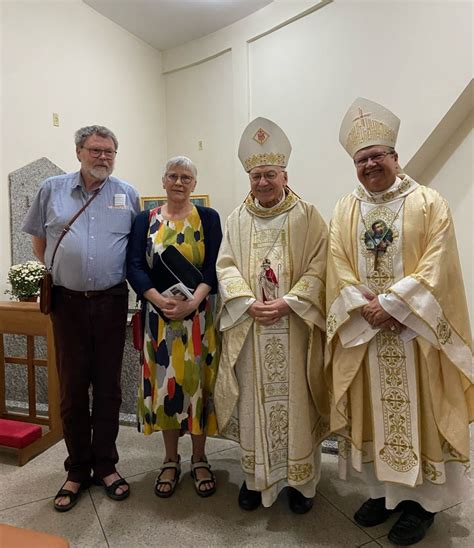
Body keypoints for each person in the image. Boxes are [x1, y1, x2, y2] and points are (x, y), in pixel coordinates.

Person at [326, 97, 473, 545]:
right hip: (367, 334)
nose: (370, 165)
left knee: (423, 413)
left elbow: (438, 263)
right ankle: (383, 494)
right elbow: (337, 264)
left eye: (377, 156)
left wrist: (392, 304)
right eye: (361, 159)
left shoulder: (430, 203)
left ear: (395, 157)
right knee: (373, 414)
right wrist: (367, 307)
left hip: (416, 334)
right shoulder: (344, 209)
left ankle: (422, 504)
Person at [22, 125, 140, 511]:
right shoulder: (51, 189)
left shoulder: (127, 194)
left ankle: (106, 465)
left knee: (108, 388)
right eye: (95, 150)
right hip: (68, 304)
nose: (102, 157)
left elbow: (135, 250)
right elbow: (40, 243)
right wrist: (69, 272)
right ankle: (76, 470)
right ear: (78, 152)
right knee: (72, 389)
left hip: (111, 301)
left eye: (109, 151)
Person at [215, 117, 329, 513]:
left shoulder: (308, 215)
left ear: (284, 174)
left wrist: (289, 302)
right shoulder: (236, 219)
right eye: (255, 175)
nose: (262, 182)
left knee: (297, 403)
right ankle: (254, 478)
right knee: (253, 402)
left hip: (294, 326)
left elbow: (320, 266)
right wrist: (246, 301)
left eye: (269, 174)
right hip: (251, 328)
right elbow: (225, 265)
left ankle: (301, 483)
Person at [127, 156, 222, 498]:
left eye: (186, 177)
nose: (179, 182)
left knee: (196, 387)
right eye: (173, 176)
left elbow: (214, 265)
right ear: (163, 181)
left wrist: (194, 301)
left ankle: (199, 458)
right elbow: (134, 265)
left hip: (198, 319)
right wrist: (155, 298)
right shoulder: (144, 220)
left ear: (194, 184)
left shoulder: (208, 218)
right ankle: (170, 459)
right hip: (159, 320)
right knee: (166, 386)